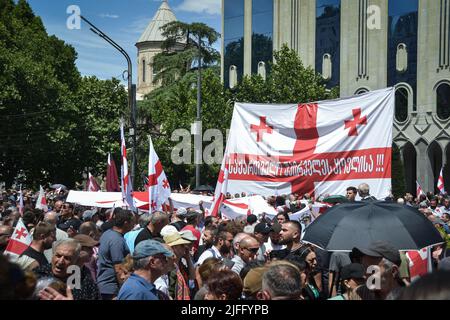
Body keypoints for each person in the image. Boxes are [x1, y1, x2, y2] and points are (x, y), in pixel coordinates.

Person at [36, 239, 100, 300]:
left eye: (67, 258)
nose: (61, 261)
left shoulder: (86, 283)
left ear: (75, 260)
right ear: (52, 256)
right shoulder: (38, 275)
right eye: (58, 256)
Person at [97, 208, 134, 300]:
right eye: (133, 222)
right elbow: (118, 267)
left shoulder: (107, 233)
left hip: (105, 284)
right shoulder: (116, 240)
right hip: (111, 287)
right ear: (126, 223)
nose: (134, 225)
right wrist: (124, 287)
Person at [164, 231, 196, 300]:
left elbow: (192, 276)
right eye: (181, 245)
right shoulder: (168, 267)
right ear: (174, 247)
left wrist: (188, 258)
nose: (185, 247)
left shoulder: (181, 264)